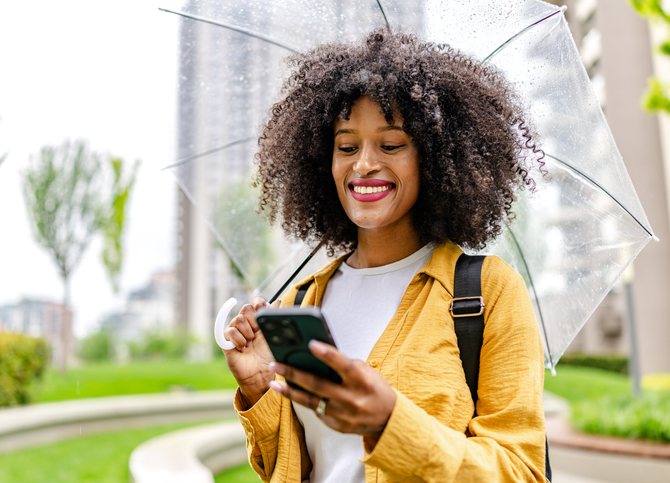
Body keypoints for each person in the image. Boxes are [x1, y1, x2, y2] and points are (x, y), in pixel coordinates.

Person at [222, 29, 547, 483]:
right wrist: (260, 389)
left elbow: (521, 472)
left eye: (391, 145)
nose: (363, 165)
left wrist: (389, 423)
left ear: (433, 158)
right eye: (347, 146)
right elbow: (298, 466)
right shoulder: (299, 302)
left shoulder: (487, 291)